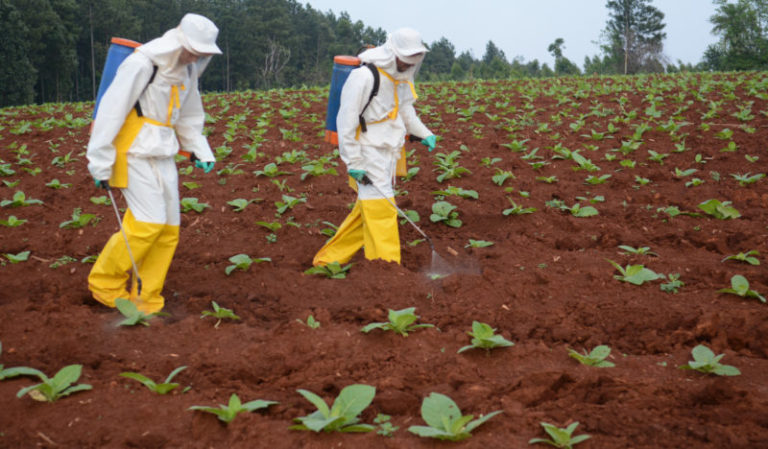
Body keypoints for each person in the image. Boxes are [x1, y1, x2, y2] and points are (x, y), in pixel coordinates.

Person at [86, 13, 221, 313]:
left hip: (162, 152)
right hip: (132, 151)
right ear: (180, 42)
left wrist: (199, 149)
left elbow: (189, 116)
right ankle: (104, 282)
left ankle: (145, 298)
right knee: (148, 223)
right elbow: (111, 111)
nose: (196, 57)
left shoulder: (187, 72)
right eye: (194, 51)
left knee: (169, 228)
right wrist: (100, 160)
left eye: (202, 53)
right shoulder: (143, 63)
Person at [313, 27, 437, 266]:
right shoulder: (364, 76)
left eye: (413, 60)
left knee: (367, 209)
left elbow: (405, 111)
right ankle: (386, 267)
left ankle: (327, 261)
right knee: (382, 210)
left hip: (389, 150)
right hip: (368, 151)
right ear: (392, 52)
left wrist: (424, 133)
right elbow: (346, 121)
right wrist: (353, 162)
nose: (409, 64)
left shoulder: (402, 77)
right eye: (405, 59)